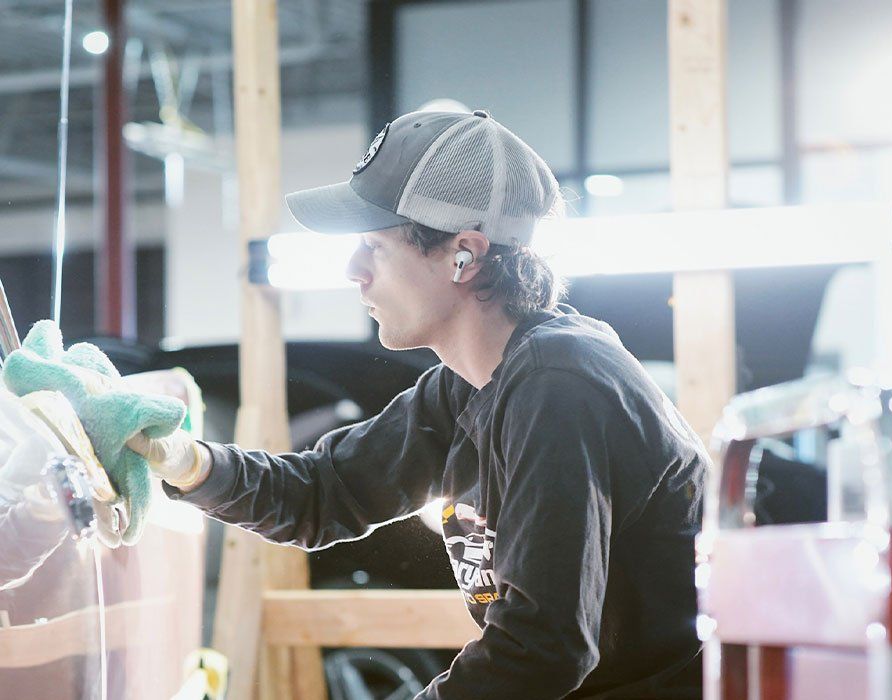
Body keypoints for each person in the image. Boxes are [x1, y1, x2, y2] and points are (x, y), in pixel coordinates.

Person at [128, 109, 708, 699]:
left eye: (374, 246)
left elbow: (541, 649)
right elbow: (323, 493)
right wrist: (182, 460)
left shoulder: (559, 386)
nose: (353, 271)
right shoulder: (467, 383)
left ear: (465, 254)